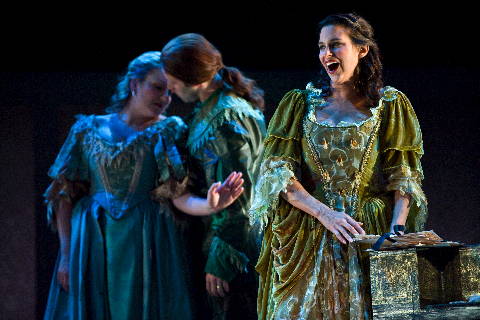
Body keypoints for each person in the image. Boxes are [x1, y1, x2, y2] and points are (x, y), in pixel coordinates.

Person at [249, 13, 428, 319]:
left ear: (362, 50)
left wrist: (396, 233)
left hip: (366, 233)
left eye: (335, 45)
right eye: (321, 47)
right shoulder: (299, 104)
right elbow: (278, 174)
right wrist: (325, 213)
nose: (326, 54)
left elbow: (404, 176)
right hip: (310, 232)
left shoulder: (389, 105)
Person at [42, 51, 245, 320]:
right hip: (92, 240)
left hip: (147, 241)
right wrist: (67, 255)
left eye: (169, 91)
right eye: (157, 88)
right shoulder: (86, 130)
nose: (165, 99)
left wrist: (211, 204)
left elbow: (179, 196)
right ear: (134, 84)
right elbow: (63, 195)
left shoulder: (168, 131)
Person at [160, 33, 266, 320]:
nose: (169, 86)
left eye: (171, 78)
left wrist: (223, 256)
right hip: (235, 238)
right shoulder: (215, 107)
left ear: (190, 76)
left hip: (238, 247)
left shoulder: (225, 119)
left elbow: (239, 192)